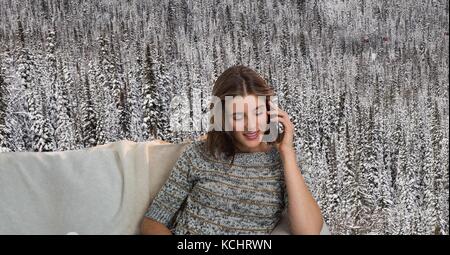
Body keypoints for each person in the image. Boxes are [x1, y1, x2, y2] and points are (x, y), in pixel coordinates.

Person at [140, 65, 323, 235]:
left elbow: (309, 231)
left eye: (258, 112)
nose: (251, 125)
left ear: (270, 110)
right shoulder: (197, 154)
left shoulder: (283, 163)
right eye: (237, 116)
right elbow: (153, 221)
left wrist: (287, 153)